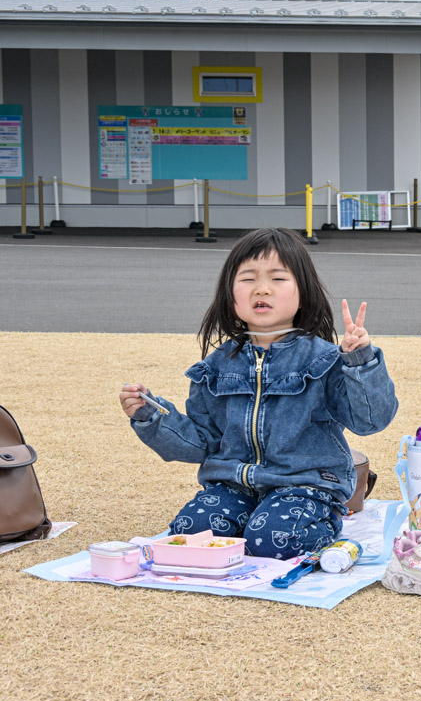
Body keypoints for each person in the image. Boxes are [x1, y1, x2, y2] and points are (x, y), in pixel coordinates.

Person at [119, 227, 398, 560]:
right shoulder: (215, 366)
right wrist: (150, 416)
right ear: (230, 293)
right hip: (234, 485)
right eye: (248, 278)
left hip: (305, 485)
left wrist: (360, 360)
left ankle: (323, 519)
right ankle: (253, 520)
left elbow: (371, 421)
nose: (262, 288)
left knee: (272, 539)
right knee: (191, 531)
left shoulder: (324, 359)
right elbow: (200, 443)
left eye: (277, 279)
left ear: (303, 292)